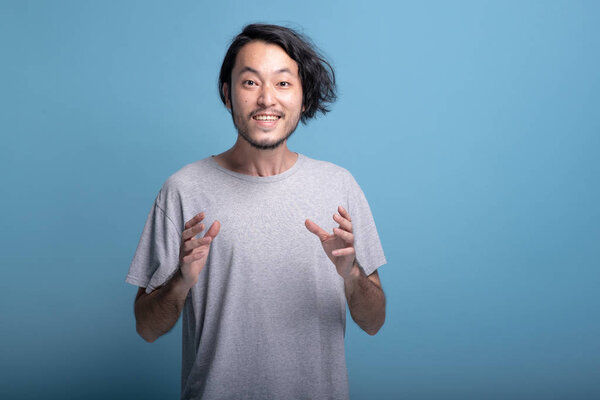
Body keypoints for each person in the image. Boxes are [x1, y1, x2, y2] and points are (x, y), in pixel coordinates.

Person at [126, 23, 387, 400]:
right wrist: (179, 281)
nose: (267, 99)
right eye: (250, 83)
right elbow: (146, 328)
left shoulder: (339, 187)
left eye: (283, 83)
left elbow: (375, 321)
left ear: (303, 96)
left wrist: (352, 275)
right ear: (227, 94)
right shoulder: (182, 190)